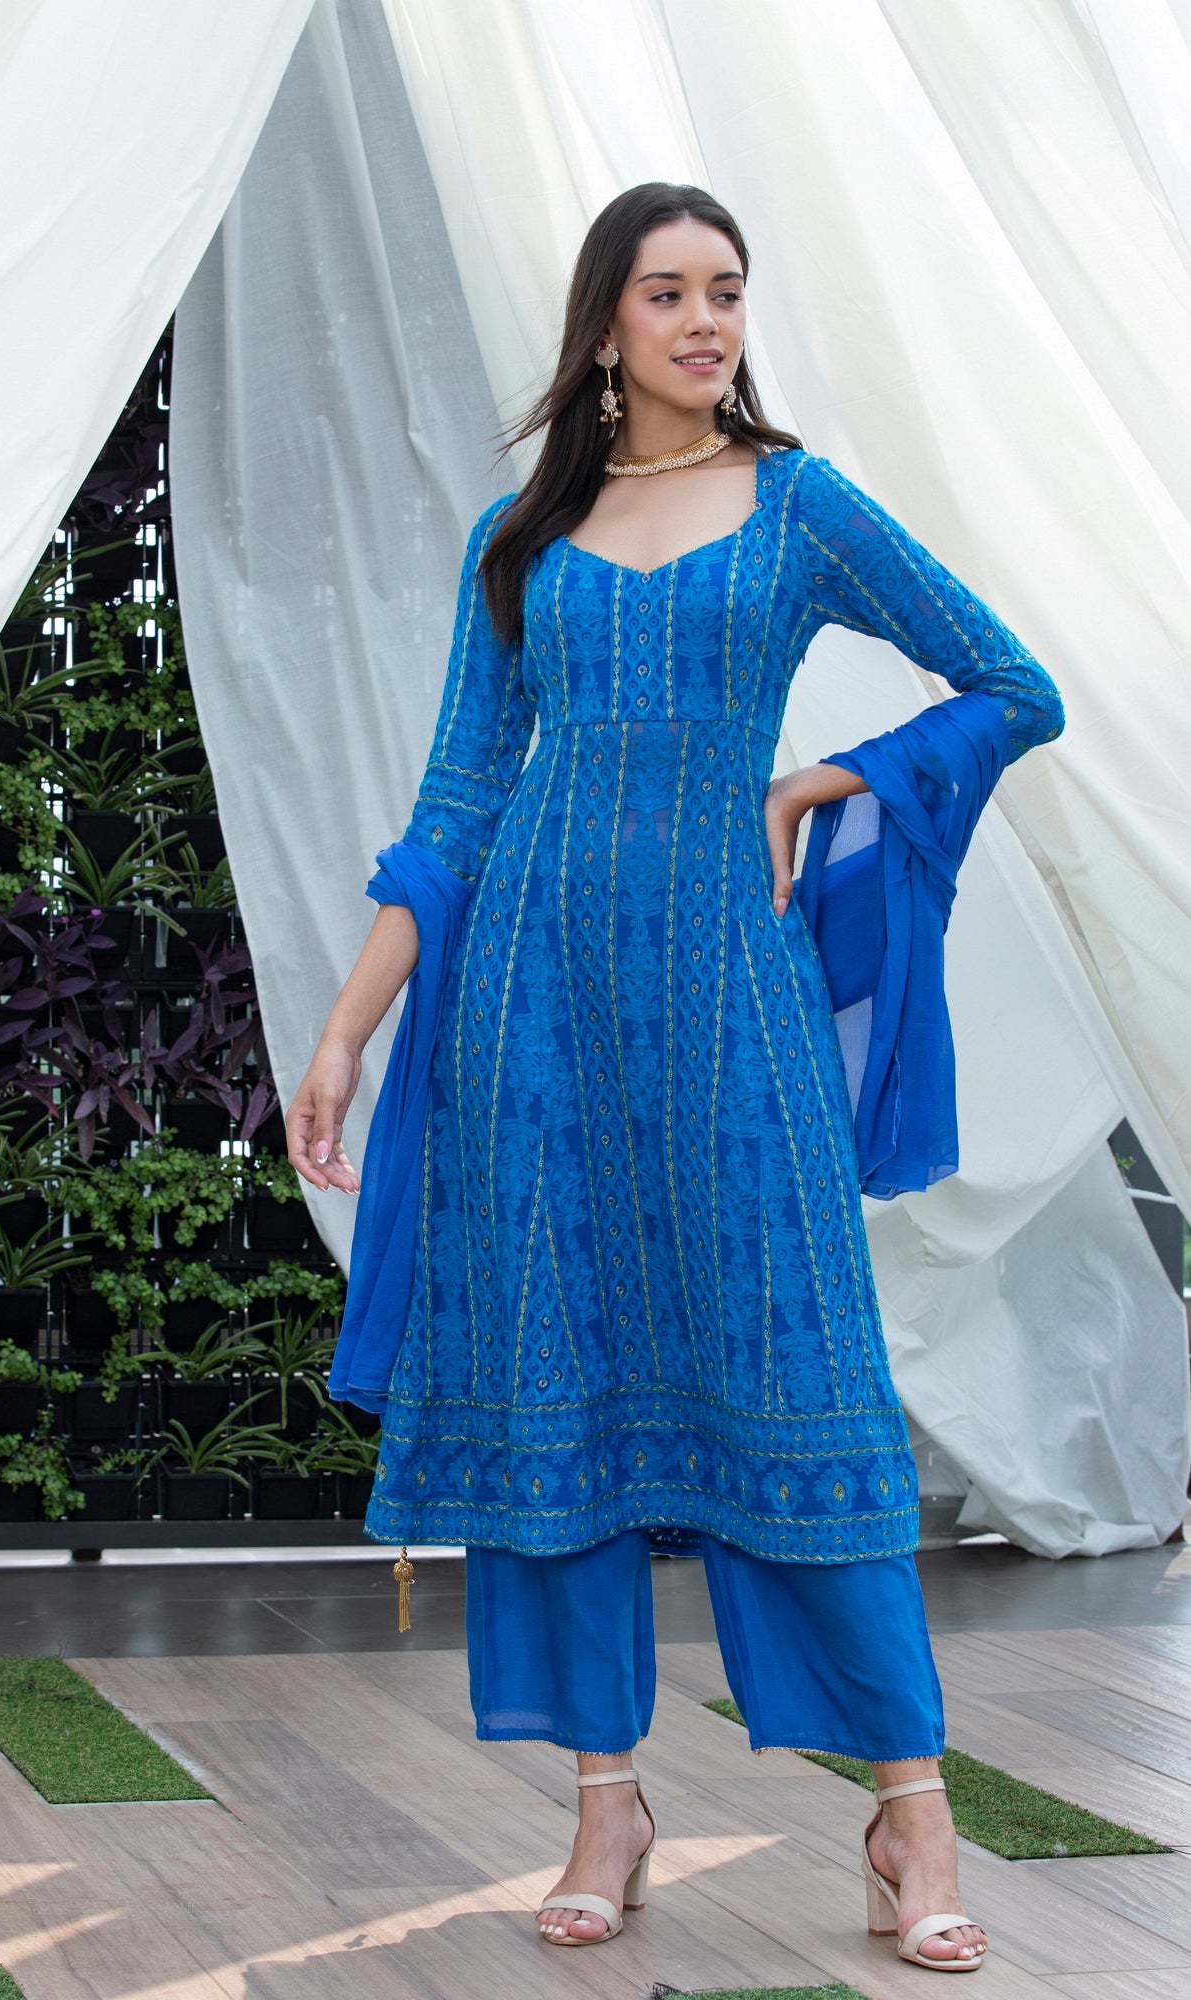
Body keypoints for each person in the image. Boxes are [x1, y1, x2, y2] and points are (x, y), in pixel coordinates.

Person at [285, 182, 1063, 1968]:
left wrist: (831, 779)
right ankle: (605, 1804)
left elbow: (1009, 684)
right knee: (551, 1384)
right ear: (603, 325)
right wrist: (345, 1029)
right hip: (529, 1010)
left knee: (800, 1370)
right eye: (667, 293)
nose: (705, 321)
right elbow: (458, 803)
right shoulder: (523, 539)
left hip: (731, 999)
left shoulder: (797, 506)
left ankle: (910, 1812)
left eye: (725, 291)